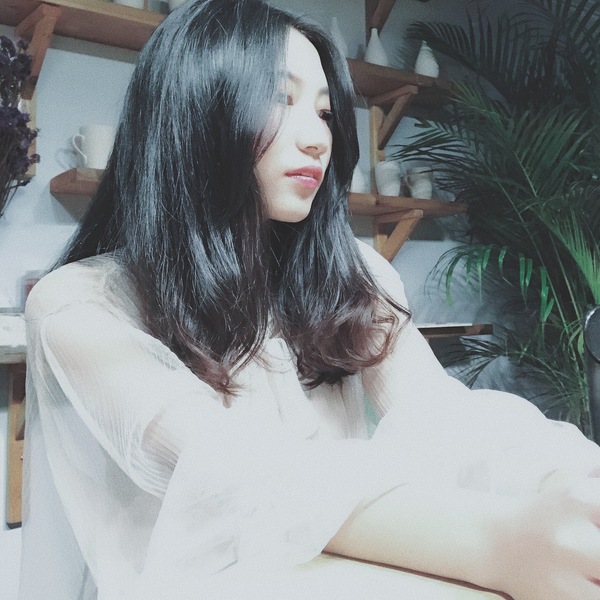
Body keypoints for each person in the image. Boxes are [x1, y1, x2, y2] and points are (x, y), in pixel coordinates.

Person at [18, 1, 600, 599]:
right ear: (196, 110)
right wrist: (495, 543)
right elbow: (231, 476)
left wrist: (564, 477)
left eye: (324, 112)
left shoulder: (353, 275)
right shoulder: (79, 305)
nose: (319, 138)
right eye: (280, 99)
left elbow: (440, 415)